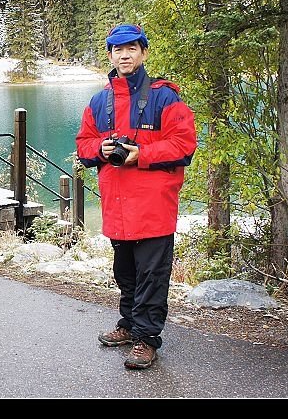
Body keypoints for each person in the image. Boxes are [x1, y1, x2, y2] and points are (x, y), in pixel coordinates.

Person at [75, 24, 197, 370]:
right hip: (117, 204)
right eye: (117, 49)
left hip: (153, 206)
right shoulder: (100, 101)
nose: (124, 55)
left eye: (131, 48)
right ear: (110, 55)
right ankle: (129, 325)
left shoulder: (164, 97)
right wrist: (101, 147)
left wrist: (138, 154)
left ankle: (147, 339)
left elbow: (183, 145)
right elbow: (83, 144)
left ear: (143, 53)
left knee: (151, 275)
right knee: (126, 272)